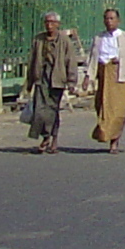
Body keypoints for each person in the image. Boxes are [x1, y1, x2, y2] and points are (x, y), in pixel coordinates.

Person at [21, 12, 79, 153]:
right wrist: (29, 83)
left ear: (58, 24)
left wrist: (71, 82)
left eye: (52, 22)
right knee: (40, 111)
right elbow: (32, 61)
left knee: (52, 111)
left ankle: (53, 139)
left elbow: (70, 61)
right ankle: (45, 136)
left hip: (57, 79)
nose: (49, 25)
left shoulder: (64, 41)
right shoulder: (39, 40)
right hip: (41, 79)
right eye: (47, 22)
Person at [89, 6, 125, 153]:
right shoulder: (99, 39)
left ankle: (114, 141)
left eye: (112, 18)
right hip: (105, 76)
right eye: (107, 18)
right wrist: (88, 76)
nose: (109, 21)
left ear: (118, 20)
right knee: (103, 107)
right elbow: (92, 58)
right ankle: (104, 133)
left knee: (119, 111)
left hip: (122, 77)